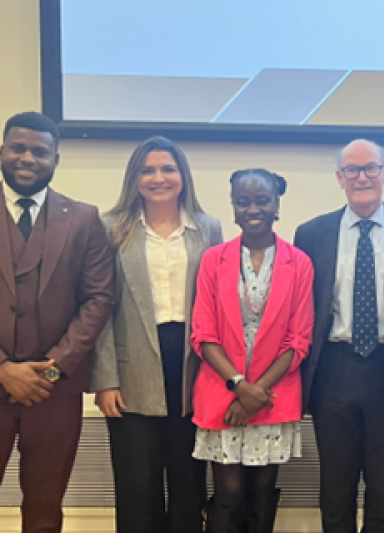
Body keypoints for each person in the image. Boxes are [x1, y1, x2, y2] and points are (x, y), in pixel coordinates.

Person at [294, 139, 384, 533]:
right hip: (334, 372)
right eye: (352, 170)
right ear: (339, 179)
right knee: (335, 484)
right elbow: (301, 312)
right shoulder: (311, 233)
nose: (362, 177)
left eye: (370, 168)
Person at [90, 136, 223, 533]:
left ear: (183, 177)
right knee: (137, 484)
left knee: (189, 480)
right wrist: (106, 379)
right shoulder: (110, 228)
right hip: (131, 370)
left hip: (193, 366)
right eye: (147, 170)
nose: (158, 178)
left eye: (168, 169)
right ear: (134, 178)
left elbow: (219, 306)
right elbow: (100, 308)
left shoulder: (208, 228)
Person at [0, 111, 114, 532]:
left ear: (55, 160)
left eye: (39, 151)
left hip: (54, 392)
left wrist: (51, 369)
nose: (28, 158)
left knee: (45, 508)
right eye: (18, 148)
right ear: (2, 152)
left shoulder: (84, 219)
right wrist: (3, 370)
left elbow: (98, 298)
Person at [191, 168, 314, 533]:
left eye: (262, 200)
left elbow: (299, 338)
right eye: (243, 202)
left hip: (273, 394)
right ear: (233, 207)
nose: (252, 209)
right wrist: (239, 387)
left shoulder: (300, 262)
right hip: (222, 392)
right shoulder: (214, 260)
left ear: (277, 205)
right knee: (228, 490)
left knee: (262, 487)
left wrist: (256, 394)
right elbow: (203, 333)